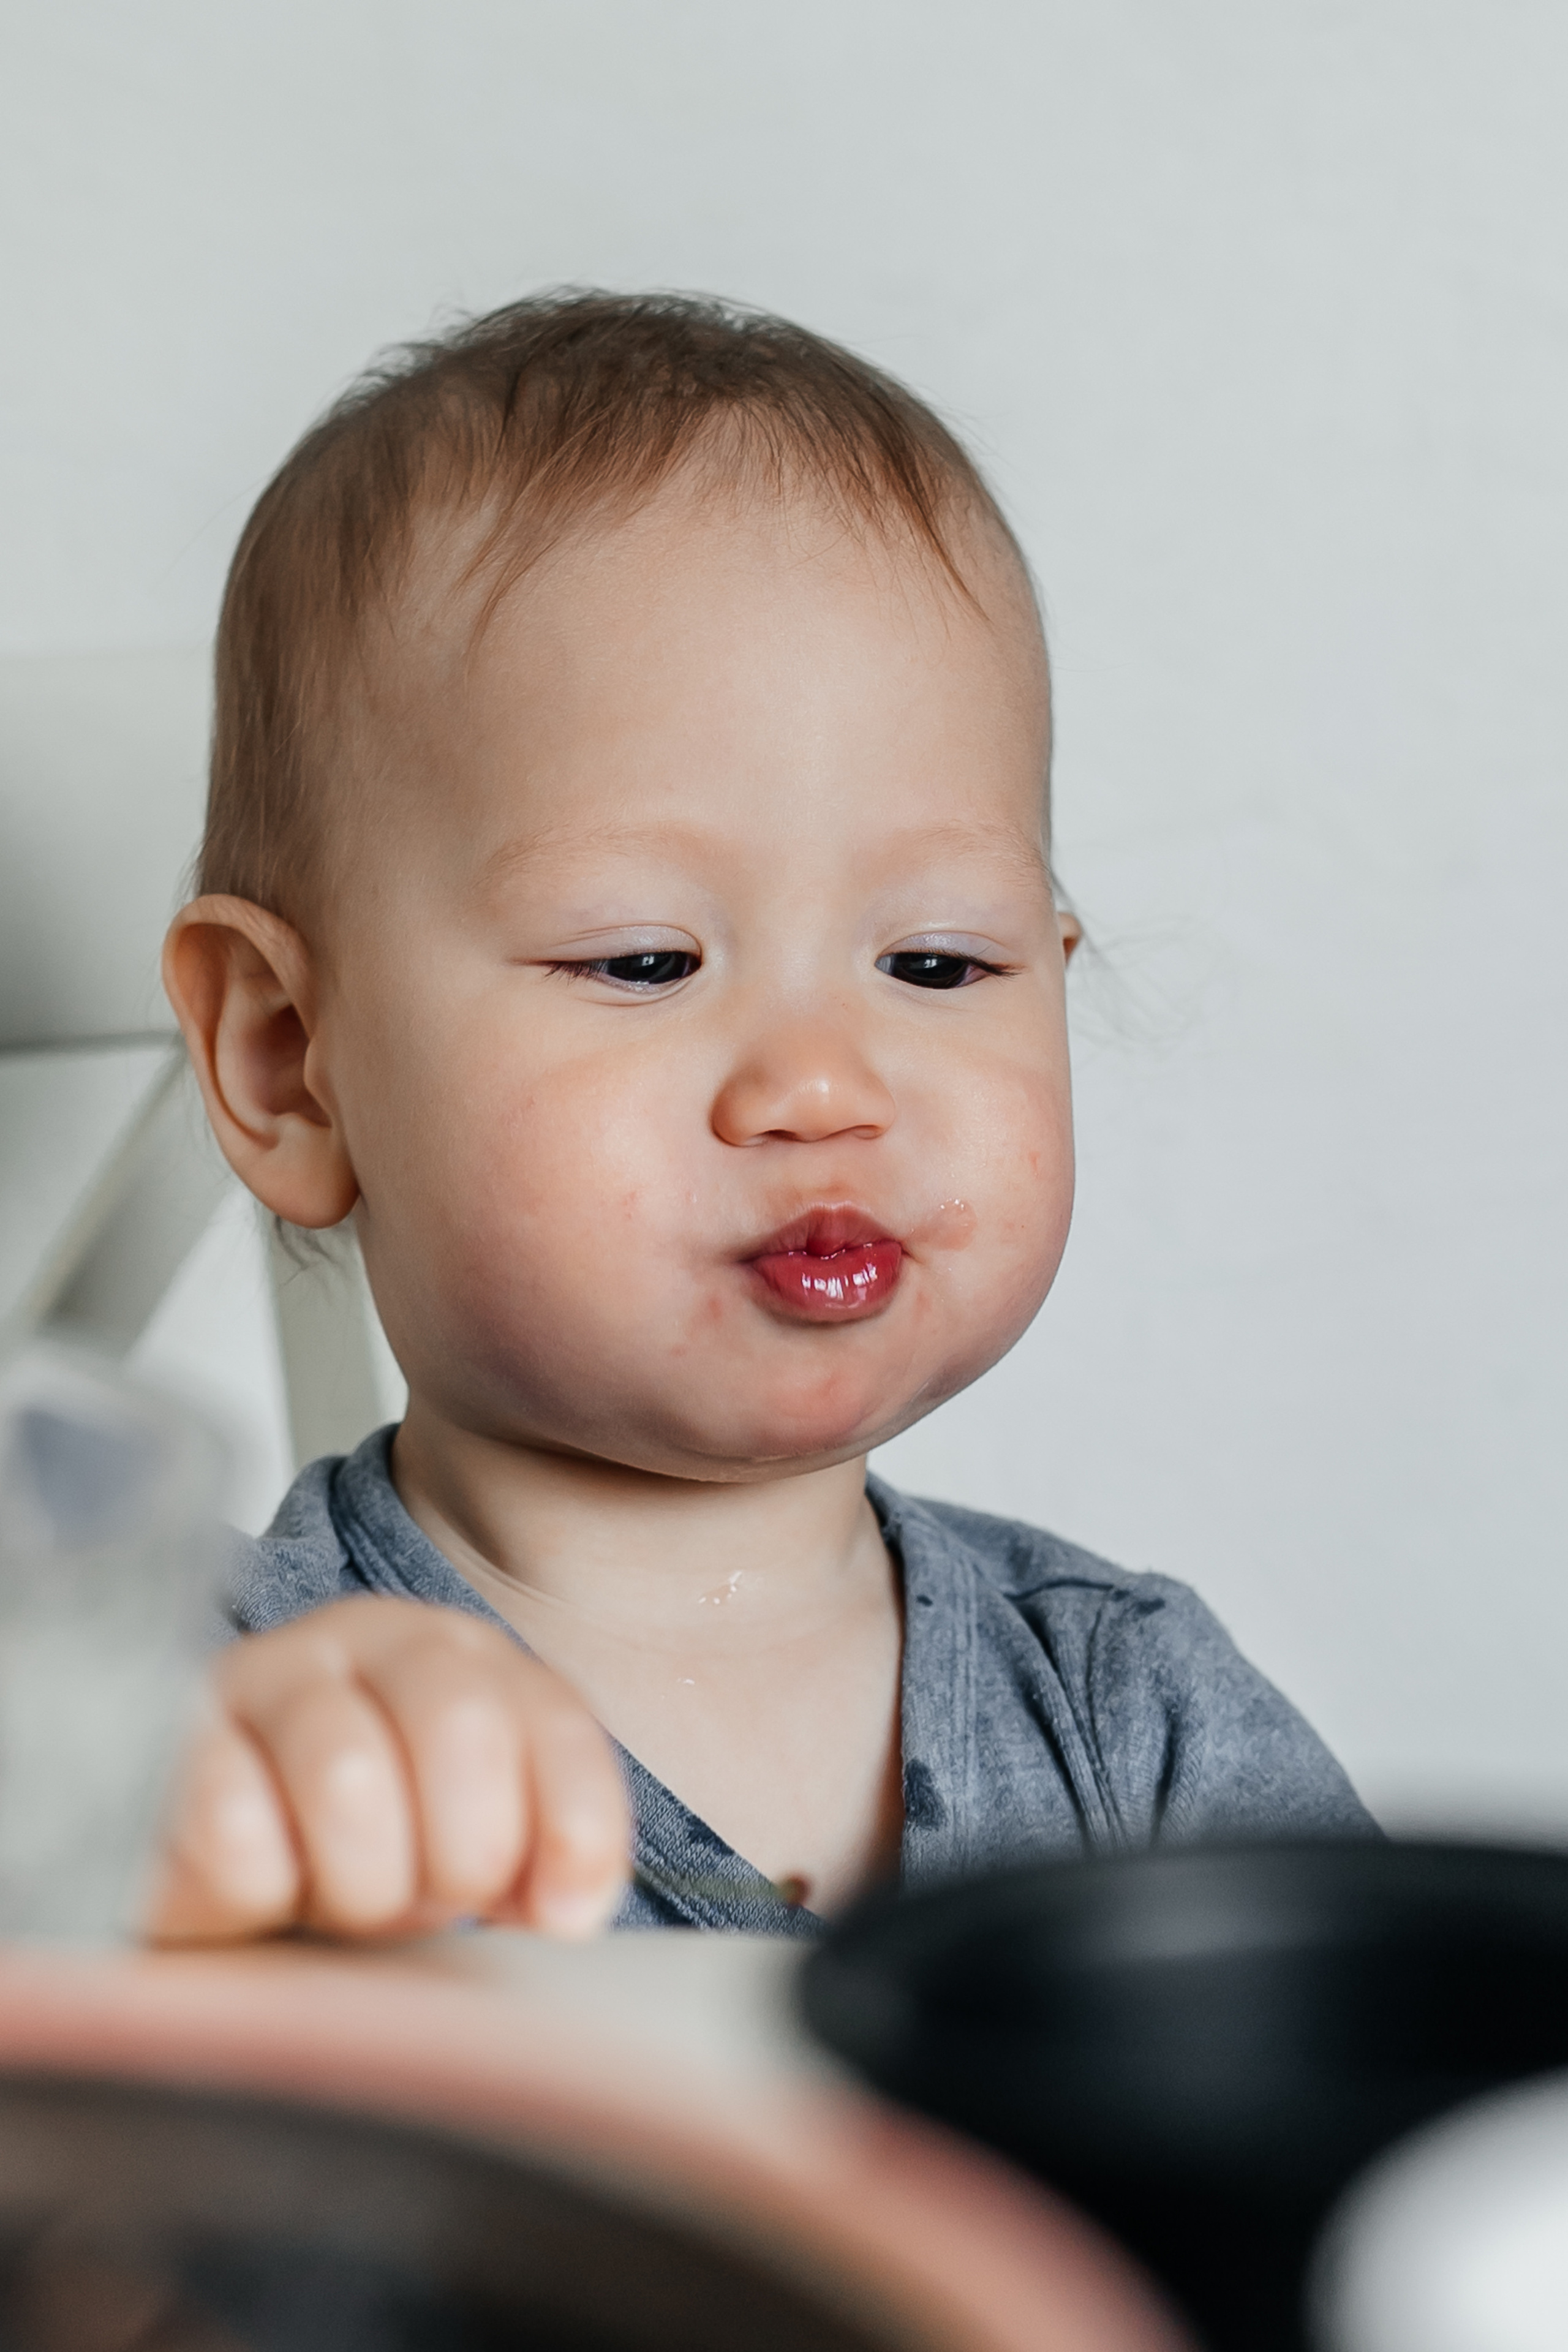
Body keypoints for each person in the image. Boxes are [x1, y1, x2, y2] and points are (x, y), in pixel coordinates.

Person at [151, 292, 1372, 1945]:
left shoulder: (1130, 1716)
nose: (823, 1087)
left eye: (938, 961)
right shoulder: (197, 1713)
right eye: (645, 958)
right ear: (293, 1058)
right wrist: (177, 1862)